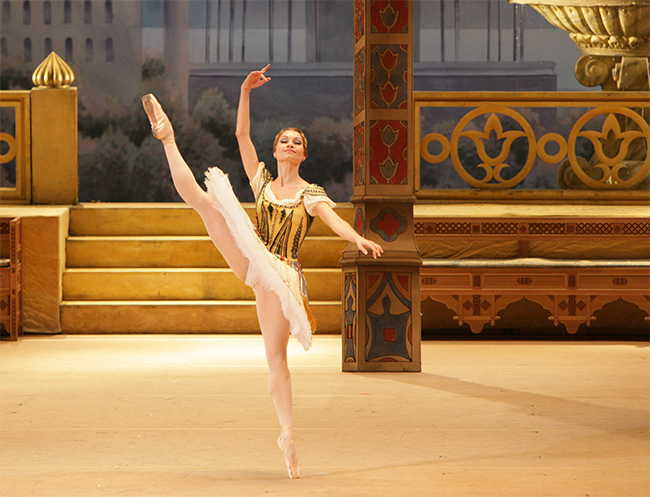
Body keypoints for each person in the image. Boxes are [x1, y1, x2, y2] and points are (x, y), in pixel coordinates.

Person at [142, 64, 382, 479]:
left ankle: (287, 435)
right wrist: (244, 91)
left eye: (297, 142)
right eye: (284, 140)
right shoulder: (263, 181)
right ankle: (168, 138)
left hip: (281, 274)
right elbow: (240, 136)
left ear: (304, 154)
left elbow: (332, 219)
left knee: (276, 360)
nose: (290, 145)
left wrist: (356, 238)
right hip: (254, 255)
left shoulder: (310, 193)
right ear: (275, 151)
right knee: (205, 201)